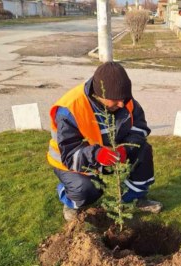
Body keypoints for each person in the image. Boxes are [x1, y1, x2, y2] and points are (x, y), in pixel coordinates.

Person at [47, 62, 162, 221]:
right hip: (72, 162)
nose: (122, 104)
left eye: (124, 98)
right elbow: (70, 154)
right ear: (100, 94)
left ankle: (134, 198)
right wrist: (97, 155)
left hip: (112, 155)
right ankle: (69, 198)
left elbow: (139, 128)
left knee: (143, 149)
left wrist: (125, 149)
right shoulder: (70, 109)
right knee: (86, 189)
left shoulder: (122, 97)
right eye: (116, 100)